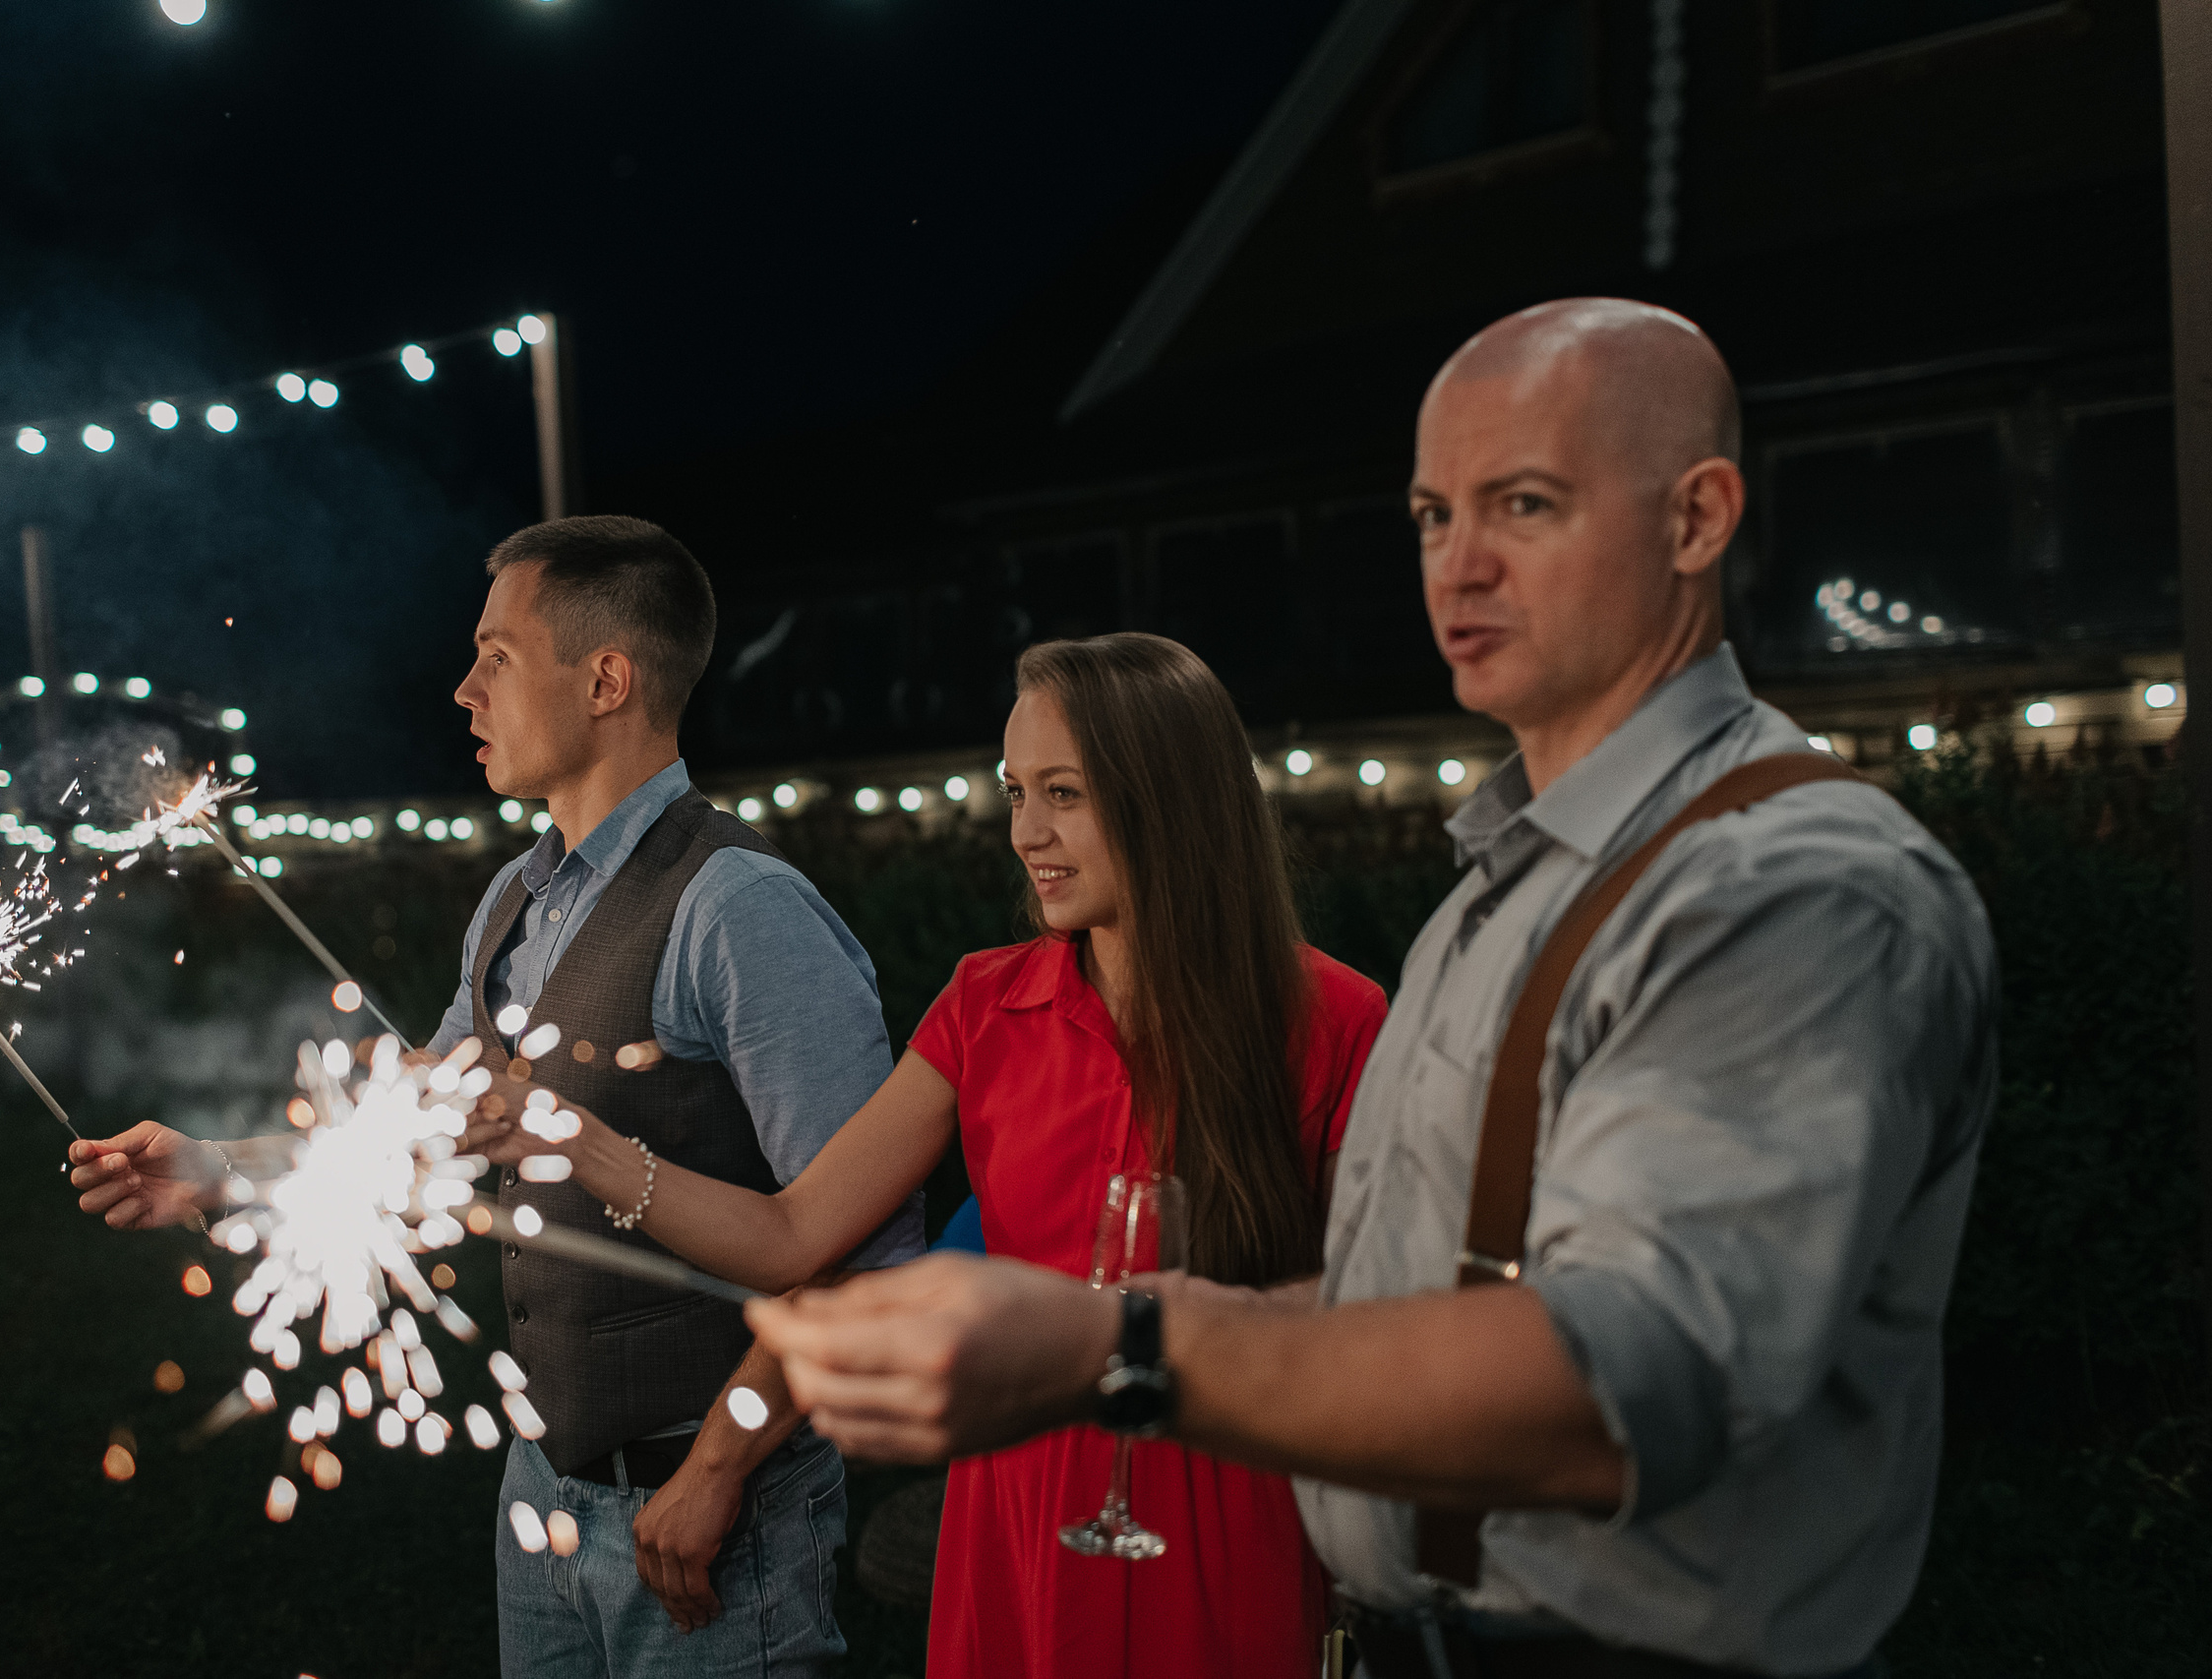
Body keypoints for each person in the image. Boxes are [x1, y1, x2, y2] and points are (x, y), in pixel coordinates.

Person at [740, 300, 1999, 1679]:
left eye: (1524, 504)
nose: (1460, 563)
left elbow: (1632, 1383)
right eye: (1431, 515)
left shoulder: (1784, 886)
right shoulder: (1504, 896)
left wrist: (1116, 1345)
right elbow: (1405, 1295)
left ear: (1697, 519)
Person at [69, 515, 915, 1678]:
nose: (465, 692)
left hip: (718, 1508)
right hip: (542, 1493)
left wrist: (718, 1470)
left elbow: (859, 1240)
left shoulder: (738, 907)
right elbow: (421, 1136)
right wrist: (219, 1168)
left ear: (606, 681)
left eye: (497, 658)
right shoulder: (515, 898)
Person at [466, 632, 1390, 1679]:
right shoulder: (984, 1005)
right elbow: (794, 1233)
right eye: (1016, 793)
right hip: (1020, 1508)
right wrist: (574, 1139)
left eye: (1064, 794)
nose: (1026, 832)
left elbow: (1379, 1306)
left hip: (1226, 1505)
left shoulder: (1336, 1020)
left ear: (1171, 800)